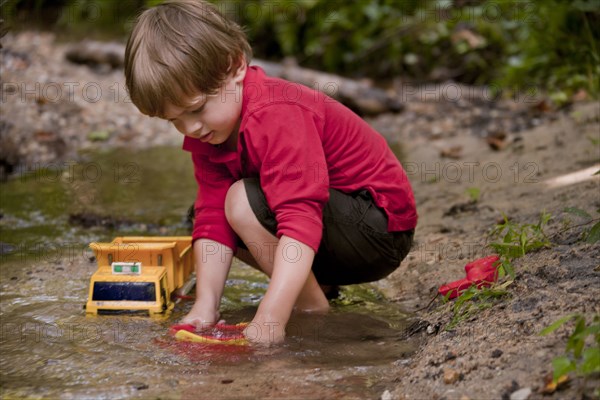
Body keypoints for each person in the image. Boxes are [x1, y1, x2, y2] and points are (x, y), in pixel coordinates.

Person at [124, 0, 417, 345]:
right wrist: (205, 307)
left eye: (197, 108)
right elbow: (213, 217)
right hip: (330, 231)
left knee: (241, 201)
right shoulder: (210, 131)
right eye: (174, 120)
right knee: (207, 214)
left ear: (235, 67)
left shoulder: (277, 113)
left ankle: (310, 308)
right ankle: (311, 288)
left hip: (378, 230)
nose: (190, 128)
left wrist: (269, 317)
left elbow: (298, 214)